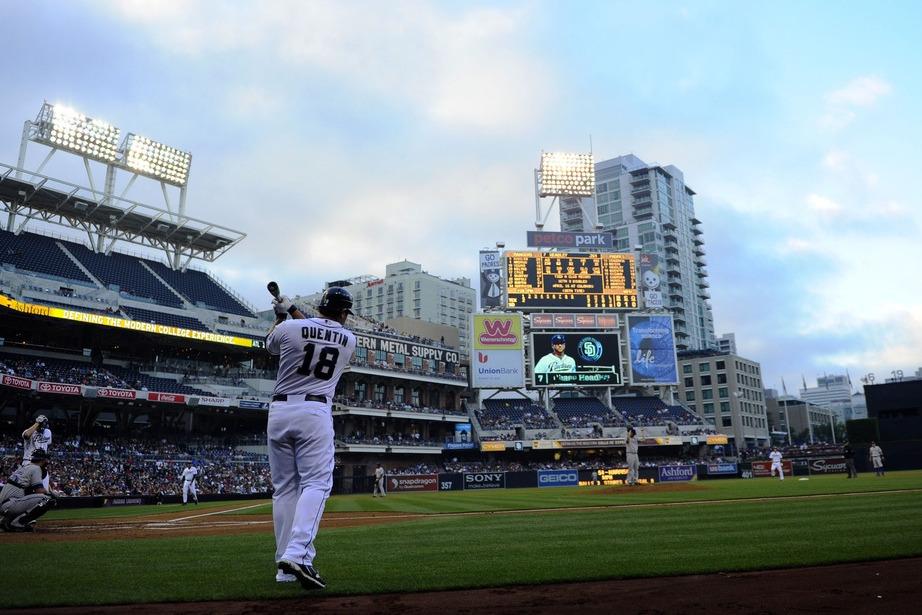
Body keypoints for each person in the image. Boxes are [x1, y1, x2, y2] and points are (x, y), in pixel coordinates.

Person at [267, 287, 356, 589]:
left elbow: (273, 344)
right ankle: (298, 554)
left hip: (278, 411)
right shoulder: (349, 340)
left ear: (320, 306)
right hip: (314, 411)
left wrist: (281, 313)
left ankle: (284, 566)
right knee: (317, 483)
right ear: (344, 312)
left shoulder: (290, 327)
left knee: (284, 490)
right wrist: (289, 308)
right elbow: (320, 333)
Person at [0, 449, 57, 532]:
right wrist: (52, 494)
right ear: (42, 460)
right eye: (46, 459)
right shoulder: (36, 468)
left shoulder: (23, 467)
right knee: (48, 499)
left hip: (5, 505)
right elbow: (39, 490)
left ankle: (4, 521)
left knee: (29, 494)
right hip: (11, 504)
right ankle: (17, 523)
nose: (46, 462)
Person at [22, 414, 52, 490]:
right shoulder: (29, 431)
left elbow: (48, 443)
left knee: (44, 489)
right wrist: (37, 423)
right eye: (41, 424)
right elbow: (26, 435)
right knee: (29, 490)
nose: (42, 427)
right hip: (29, 463)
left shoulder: (47, 432)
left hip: (41, 464)